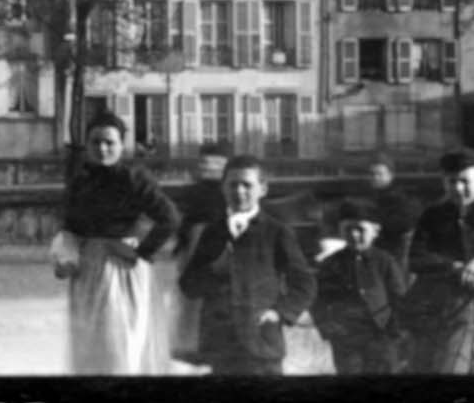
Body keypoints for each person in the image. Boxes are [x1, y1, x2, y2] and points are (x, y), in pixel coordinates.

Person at [53, 111, 181, 375]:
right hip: (88, 271)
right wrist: (64, 258)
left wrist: (142, 251)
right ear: (87, 145)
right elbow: (69, 227)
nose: (102, 148)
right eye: (96, 142)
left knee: (121, 345)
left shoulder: (134, 180)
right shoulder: (80, 183)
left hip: (123, 271)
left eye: (109, 142)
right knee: (89, 346)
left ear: (122, 145)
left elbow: (169, 218)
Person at [177, 154, 315, 375]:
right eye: (233, 185)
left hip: (262, 344)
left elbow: (305, 283)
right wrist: (214, 269)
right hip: (220, 347)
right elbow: (188, 286)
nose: (239, 191)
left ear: (263, 189)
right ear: (223, 188)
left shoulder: (277, 232)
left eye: (247, 185)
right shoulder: (213, 232)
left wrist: (280, 313)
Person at [401, 149, 474, 374]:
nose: (458, 188)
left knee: (452, 364)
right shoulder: (433, 214)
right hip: (428, 302)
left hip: (465, 301)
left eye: (464, 181)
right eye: (452, 182)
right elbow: (415, 259)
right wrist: (452, 267)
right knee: (422, 365)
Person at [311, 200, 409, 375]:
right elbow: (318, 300)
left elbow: (399, 297)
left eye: (360, 230)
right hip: (346, 339)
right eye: (348, 229)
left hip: (381, 336)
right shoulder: (331, 264)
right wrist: (329, 328)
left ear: (375, 231)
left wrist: (395, 331)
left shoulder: (385, 261)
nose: (354, 235)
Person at [164, 140, 231, 366]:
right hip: (198, 241)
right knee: (193, 293)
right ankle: (192, 343)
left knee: (202, 294)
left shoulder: (215, 190)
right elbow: (186, 219)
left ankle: (197, 343)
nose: (207, 170)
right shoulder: (198, 191)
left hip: (210, 241)